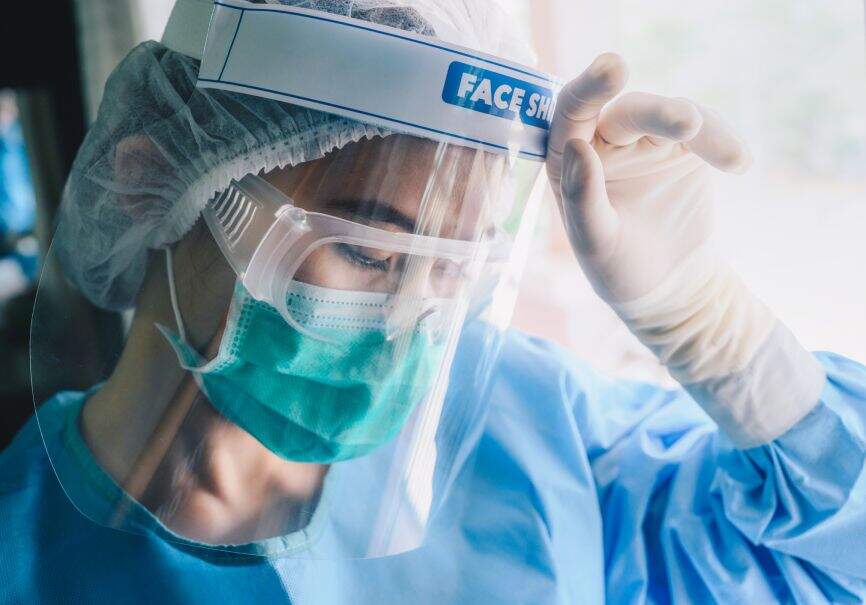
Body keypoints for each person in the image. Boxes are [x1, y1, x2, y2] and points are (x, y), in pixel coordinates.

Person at [2, 0, 866, 603]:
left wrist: (716, 333)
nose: (409, 319)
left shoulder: (539, 433)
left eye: (456, 268)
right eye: (368, 252)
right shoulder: (20, 555)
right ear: (154, 180)